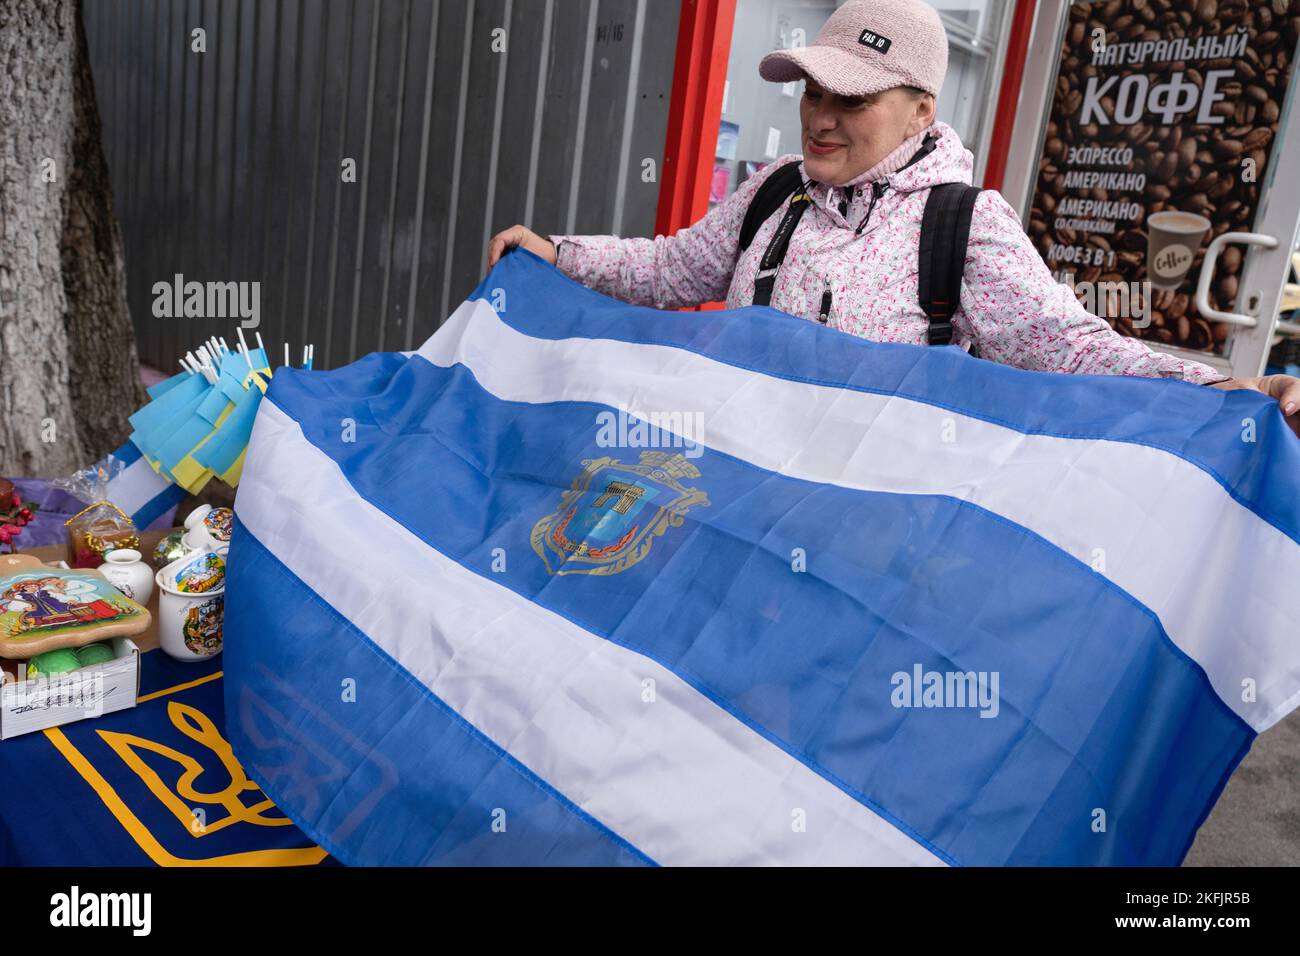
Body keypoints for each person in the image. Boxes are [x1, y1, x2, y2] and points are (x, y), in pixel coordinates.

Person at [486, 0, 1300, 433]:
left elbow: (1073, 349)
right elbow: (672, 269)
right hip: (726, 484)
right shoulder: (777, 189)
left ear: (918, 113)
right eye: (813, 90)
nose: (820, 117)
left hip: (862, 537)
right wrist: (556, 254)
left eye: (853, 98)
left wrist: (1234, 391)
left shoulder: (964, 225)